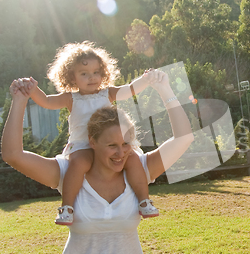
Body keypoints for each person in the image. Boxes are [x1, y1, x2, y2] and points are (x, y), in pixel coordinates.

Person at [1, 69, 194, 254]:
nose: (120, 153)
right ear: (92, 142)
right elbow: (13, 155)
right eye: (112, 146)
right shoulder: (68, 172)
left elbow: (184, 138)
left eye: (125, 145)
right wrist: (20, 100)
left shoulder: (139, 169)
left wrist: (164, 88)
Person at [25, 41, 160, 225]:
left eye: (96, 72)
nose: (92, 77)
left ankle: (144, 201)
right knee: (78, 164)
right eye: (84, 74)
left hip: (110, 144)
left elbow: (128, 90)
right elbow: (47, 101)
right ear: (72, 78)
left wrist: (145, 79)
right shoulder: (71, 98)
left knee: (134, 160)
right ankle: (67, 207)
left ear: (103, 73)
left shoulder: (107, 93)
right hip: (82, 145)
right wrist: (33, 90)